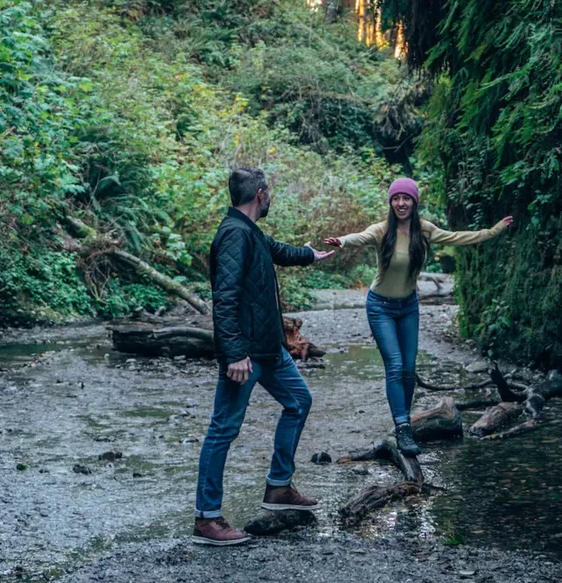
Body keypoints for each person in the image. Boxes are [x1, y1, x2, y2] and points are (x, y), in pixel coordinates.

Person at [192, 166, 334, 546]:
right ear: (259, 193)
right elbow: (224, 299)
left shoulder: (249, 231)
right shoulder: (234, 235)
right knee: (223, 428)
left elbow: (277, 251)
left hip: (270, 350)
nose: (270, 195)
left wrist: (311, 255)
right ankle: (206, 518)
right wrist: (234, 353)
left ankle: (278, 488)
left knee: (299, 401)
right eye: (268, 190)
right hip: (246, 355)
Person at [325, 177, 512, 457]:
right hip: (380, 307)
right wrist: (341, 241)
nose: (401, 203)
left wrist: (493, 231)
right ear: (391, 202)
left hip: (409, 307)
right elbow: (360, 237)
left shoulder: (425, 230)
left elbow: (458, 237)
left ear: (414, 202)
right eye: (396, 199)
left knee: (409, 369)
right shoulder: (382, 230)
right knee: (396, 365)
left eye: (406, 198)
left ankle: (404, 419)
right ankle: (402, 427)